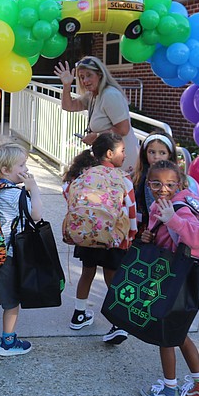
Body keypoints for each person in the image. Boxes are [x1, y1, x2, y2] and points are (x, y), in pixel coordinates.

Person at [138, 159, 199, 396]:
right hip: (173, 278)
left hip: (177, 280)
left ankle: (169, 391)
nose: (163, 188)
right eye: (156, 183)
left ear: (180, 183)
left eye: (170, 184)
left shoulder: (180, 207)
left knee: (166, 336)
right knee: (179, 334)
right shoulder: (161, 204)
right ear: (148, 184)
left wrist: (173, 219)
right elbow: (163, 236)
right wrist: (149, 236)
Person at [61, 132, 137, 344]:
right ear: (110, 153)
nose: (125, 155)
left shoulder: (85, 175)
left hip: (87, 232)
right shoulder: (123, 178)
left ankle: (79, 314)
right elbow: (131, 209)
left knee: (87, 273)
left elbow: (68, 192)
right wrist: (131, 235)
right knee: (113, 278)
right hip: (114, 236)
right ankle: (118, 323)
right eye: (122, 151)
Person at [0, 140, 44, 363]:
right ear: (6, 170)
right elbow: (37, 216)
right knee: (12, 302)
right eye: (22, 165)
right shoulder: (17, 194)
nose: (26, 170)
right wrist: (34, 190)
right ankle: (8, 342)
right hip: (8, 257)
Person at [54, 56, 140, 175]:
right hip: (109, 159)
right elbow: (69, 106)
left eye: (89, 75)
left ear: (99, 74)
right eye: (82, 77)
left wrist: (96, 136)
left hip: (122, 158)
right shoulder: (93, 95)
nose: (85, 81)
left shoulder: (109, 94)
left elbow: (123, 129)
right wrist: (67, 85)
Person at [133, 130, 199, 235]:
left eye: (162, 153)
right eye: (151, 152)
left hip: (172, 229)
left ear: (170, 155)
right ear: (144, 153)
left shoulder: (183, 179)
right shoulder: (138, 177)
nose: (156, 157)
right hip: (149, 231)